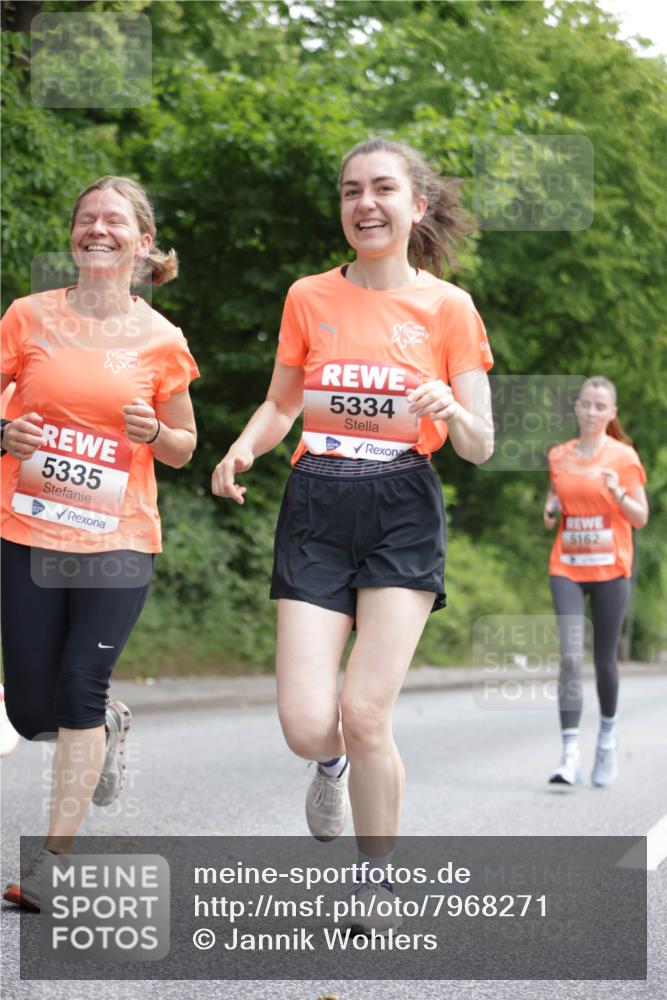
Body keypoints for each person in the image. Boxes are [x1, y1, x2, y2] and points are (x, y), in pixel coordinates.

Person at [212, 137, 493, 931]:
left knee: (366, 711)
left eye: (381, 189)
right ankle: (328, 765)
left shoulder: (448, 308)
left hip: (402, 505)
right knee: (308, 724)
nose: (363, 205)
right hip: (316, 504)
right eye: (349, 191)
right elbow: (280, 405)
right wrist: (243, 445)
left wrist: (452, 411)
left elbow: (481, 446)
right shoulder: (309, 296)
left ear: (417, 205)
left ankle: (375, 879)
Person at [1, 176, 199, 909]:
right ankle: (110, 724)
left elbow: (183, 446)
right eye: (87, 219)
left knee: (77, 691)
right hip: (26, 530)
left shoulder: (160, 338)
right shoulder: (26, 318)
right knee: (29, 711)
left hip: (119, 537)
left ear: (142, 244)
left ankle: (52, 863)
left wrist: (157, 433)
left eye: (114, 221)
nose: (97, 229)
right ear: (74, 236)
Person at [544, 376, 648, 788]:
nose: (591, 412)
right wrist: (551, 510)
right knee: (570, 655)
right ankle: (569, 754)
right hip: (567, 565)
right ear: (577, 407)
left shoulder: (624, 457)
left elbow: (640, 517)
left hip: (610, 569)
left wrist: (618, 494)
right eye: (585, 404)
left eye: (599, 406)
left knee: (604, 658)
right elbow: (554, 507)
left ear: (611, 413)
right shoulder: (559, 456)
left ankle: (606, 738)